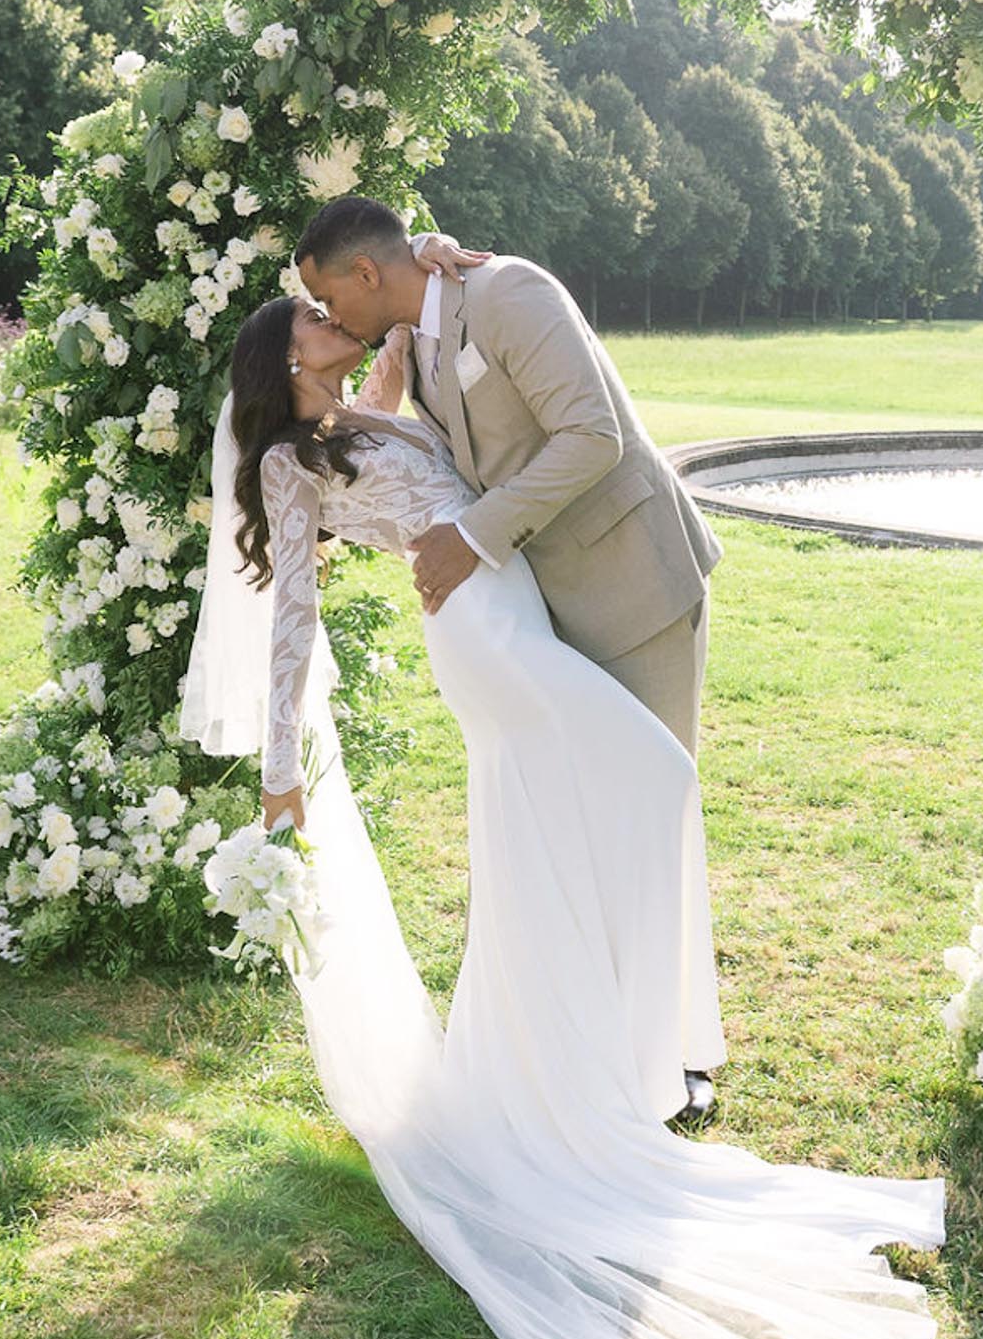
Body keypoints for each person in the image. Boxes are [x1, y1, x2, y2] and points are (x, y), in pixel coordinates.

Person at [178, 287, 948, 1339]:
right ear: (287, 354)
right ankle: (578, 1075)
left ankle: (567, 1055)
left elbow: (403, 350)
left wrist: (430, 272)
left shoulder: (361, 413)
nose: (342, 321)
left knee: (565, 832)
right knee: (651, 770)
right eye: (318, 320)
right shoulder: (287, 460)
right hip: (485, 635)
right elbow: (290, 609)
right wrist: (282, 773)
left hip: (514, 614)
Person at [292, 195, 725, 1126]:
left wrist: (472, 538)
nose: (333, 321)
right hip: (537, 610)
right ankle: (604, 1039)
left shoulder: (512, 295)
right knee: (581, 826)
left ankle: (676, 1057)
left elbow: (592, 436)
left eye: (330, 298)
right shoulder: (421, 330)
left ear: (367, 272)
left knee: (647, 806)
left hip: (632, 583)